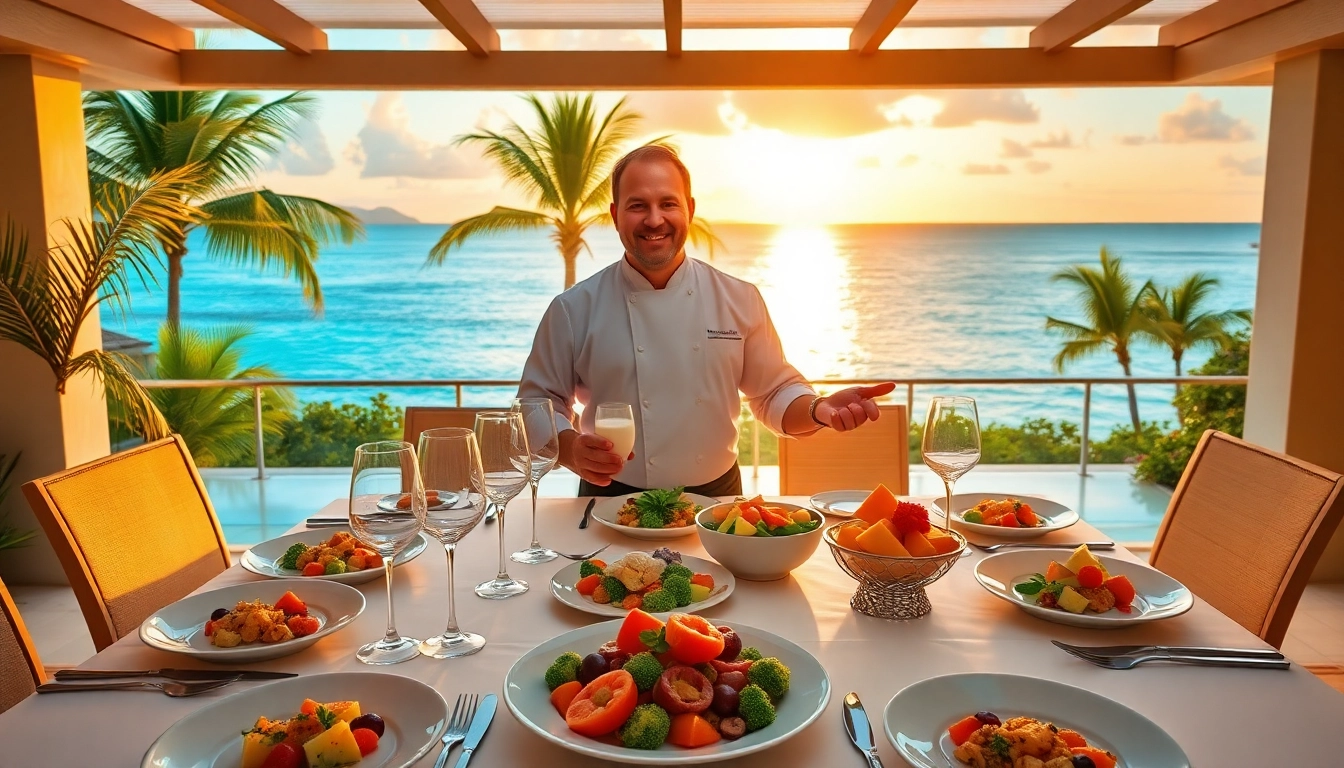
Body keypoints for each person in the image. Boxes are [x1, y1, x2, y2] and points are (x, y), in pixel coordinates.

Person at [517, 145, 895, 497]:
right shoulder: (573, 308)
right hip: (609, 498)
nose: (654, 219)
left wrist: (819, 409)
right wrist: (570, 449)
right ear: (616, 215)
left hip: (719, 503)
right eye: (637, 205)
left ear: (690, 210)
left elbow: (773, 393)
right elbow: (535, 401)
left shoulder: (739, 298)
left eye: (668, 203)